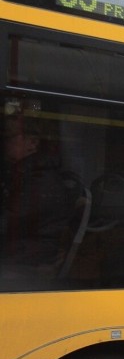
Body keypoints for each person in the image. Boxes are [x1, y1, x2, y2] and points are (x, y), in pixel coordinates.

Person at [1, 114, 76, 280]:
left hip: (28, 262)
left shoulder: (40, 178)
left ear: (32, 142)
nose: (3, 142)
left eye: (8, 137)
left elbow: (10, 221)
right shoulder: (22, 172)